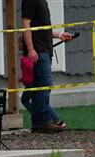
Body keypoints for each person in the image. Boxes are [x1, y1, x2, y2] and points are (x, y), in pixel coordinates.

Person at [21, 0, 72, 133]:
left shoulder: (43, 2)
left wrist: (59, 35)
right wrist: (31, 49)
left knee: (42, 87)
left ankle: (40, 122)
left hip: (45, 50)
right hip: (38, 51)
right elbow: (26, 25)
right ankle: (43, 120)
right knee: (44, 85)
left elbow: (42, 29)